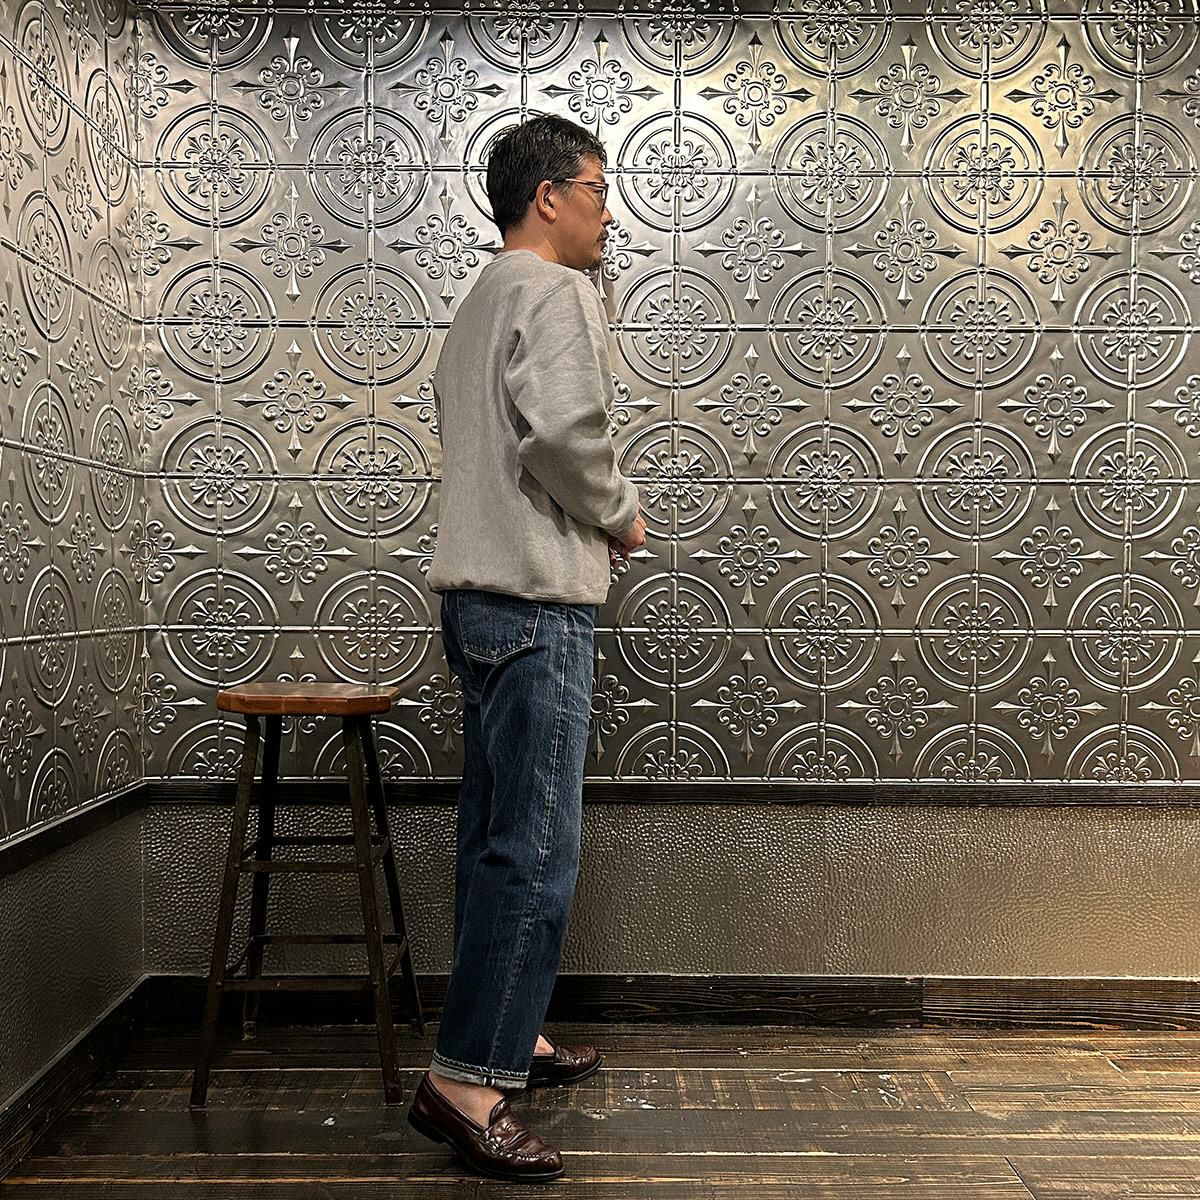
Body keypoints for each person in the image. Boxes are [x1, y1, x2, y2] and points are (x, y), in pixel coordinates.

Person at [407, 114, 646, 1183]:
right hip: (535, 600)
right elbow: (565, 437)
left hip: (475, 600)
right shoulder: (553, 290)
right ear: (547, 197)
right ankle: (467, 1087)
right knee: (534, 849)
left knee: (493, 836)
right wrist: (621, 514)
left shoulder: (481, 300)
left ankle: (513, 1036)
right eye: (596, 189)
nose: (608, 213)